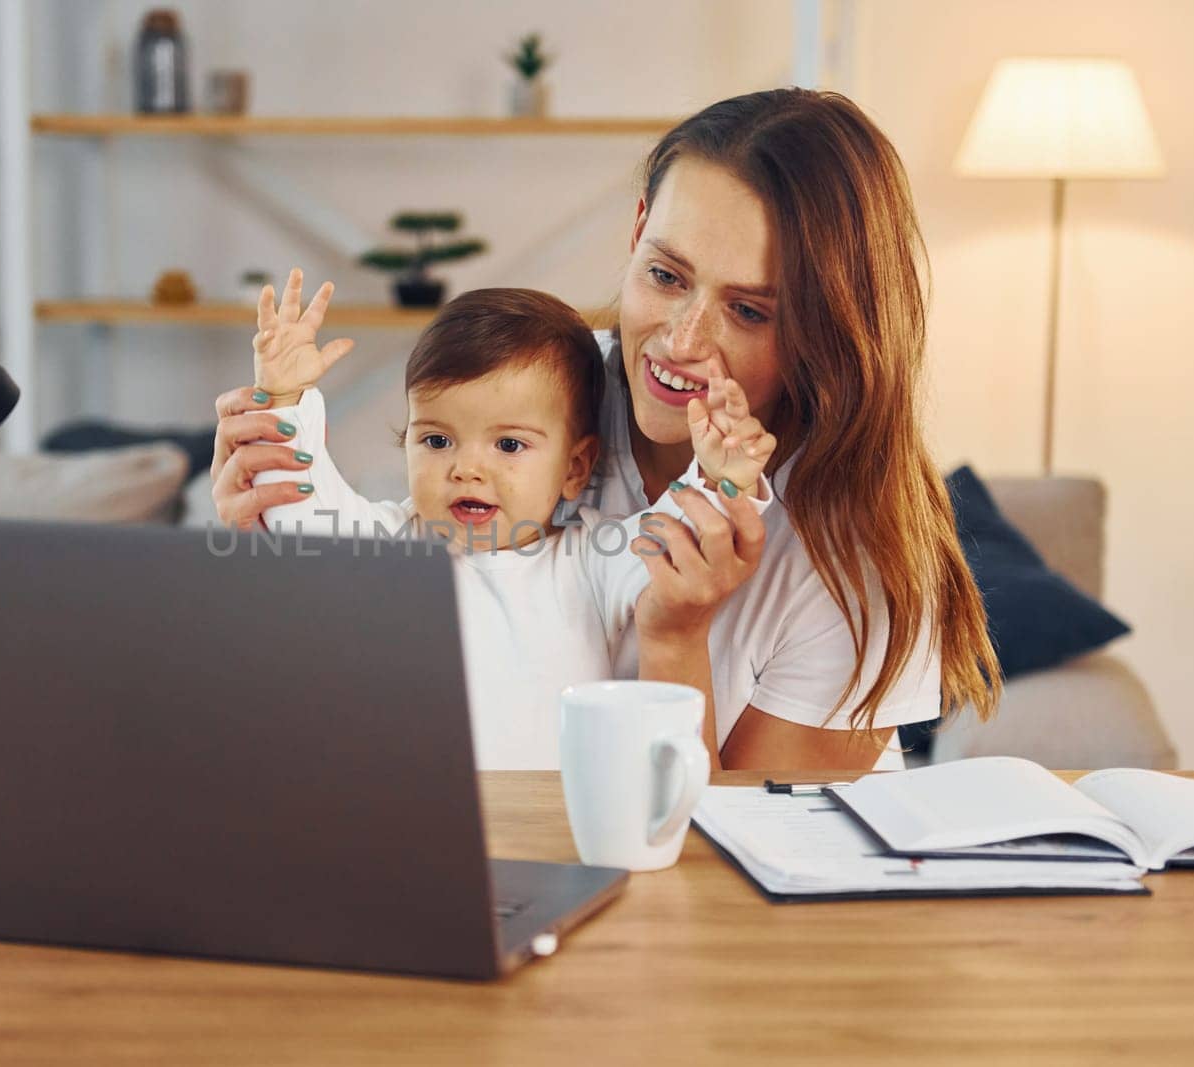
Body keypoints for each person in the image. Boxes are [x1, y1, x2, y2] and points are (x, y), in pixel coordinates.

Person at [210, 89, 1001, 771]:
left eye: (750, 310)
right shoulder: (541, 399)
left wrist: (676, 637)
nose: (681, 342)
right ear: (635, 232)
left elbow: (728, 871)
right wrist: (272, 522)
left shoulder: (858, 564)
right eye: (665, 274)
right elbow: (400, 584)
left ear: (826, 331)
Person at [244, 280, 775, 768]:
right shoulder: (385, 542)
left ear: (574, 469)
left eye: (509, 445)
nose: (466, 468)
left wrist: (719, 475)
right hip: (404, 815)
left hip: (553, 829)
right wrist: (284, 400)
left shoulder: (593, 559)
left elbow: (681, 536)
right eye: (435, 440)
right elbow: (297, 502)